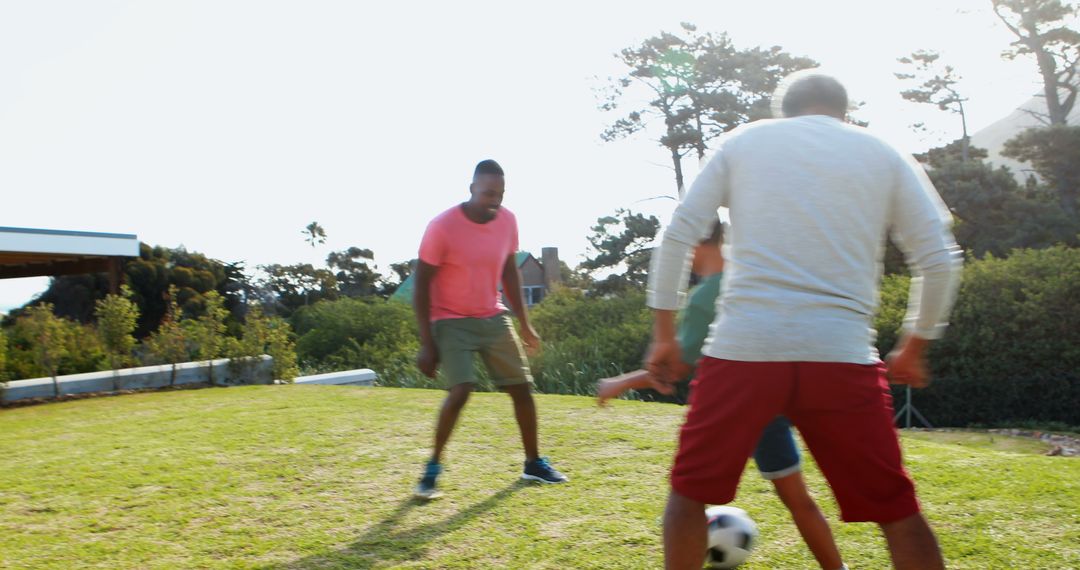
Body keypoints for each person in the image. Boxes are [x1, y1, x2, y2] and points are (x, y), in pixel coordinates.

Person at [644, 70, 963, 570]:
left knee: (689, 494)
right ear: (844, 112)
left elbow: (677, 235)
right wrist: (914, 344)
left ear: (785, 112)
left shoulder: (745, 141)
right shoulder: (882, 152)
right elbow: (940, 258)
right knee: (898, 511)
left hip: (744, 351)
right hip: (841, 354)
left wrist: (664, 334)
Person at [598, 221, 846, 570]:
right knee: (799, 500)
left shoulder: (704, 299)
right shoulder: (755, 282)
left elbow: (676, 367)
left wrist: (620, 383)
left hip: (734, 409)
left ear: (696, 243)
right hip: (776, 407)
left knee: (687, 498)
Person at [412, 159, 567, 500]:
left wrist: (525, 324)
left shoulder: (508, 220)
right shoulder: (442, 227)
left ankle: (533, 463)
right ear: (471, 189)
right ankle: (432, 468)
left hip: (492, 315)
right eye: (486, 193)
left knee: (522, 388)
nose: (493, 201)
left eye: (499, 194)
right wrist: (427, 343)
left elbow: (510, 272)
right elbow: (421, 285)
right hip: (450, 319)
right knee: (462, 389)